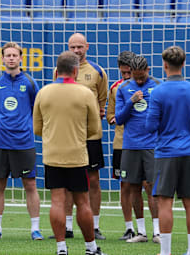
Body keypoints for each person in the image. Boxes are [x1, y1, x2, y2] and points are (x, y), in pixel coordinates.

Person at [34, 51, 105, 255]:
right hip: (77, 155)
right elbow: (95, 130)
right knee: (82, 201)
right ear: (76, 70)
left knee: (57, 201)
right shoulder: (85, 94)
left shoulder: (44, 92)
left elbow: (37, 128)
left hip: (52, 155)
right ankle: (91, 248)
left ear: (56, 71)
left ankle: (61, 248)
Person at [145, 46, 190, 255]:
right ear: (183, 64)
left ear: (164, 65)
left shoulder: (158, 92)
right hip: (188, 152)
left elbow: (150, 126)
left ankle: (165, 252)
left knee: (165, 203)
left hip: (166, 153)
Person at [0, 42, 42, 240]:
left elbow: (38, 108)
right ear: (2, 59)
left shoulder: (30, 82)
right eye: (7, 55)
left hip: (24, 142)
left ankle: (35, 229)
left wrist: (28, 127)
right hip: (0, 142)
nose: (11, 58)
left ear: (20, 58)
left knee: (30, 185)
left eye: (14, 55)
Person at [61, 33, 109, 240]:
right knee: (67, 181)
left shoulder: (98, 72)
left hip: (90, 135)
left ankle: (95, 226)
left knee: (93, 179)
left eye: (80, 47)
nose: (77, 51)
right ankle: (68, 227)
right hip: (67, 135)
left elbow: (102, 103)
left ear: (87, 47)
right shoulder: (60, 71)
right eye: (73, 47)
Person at [114, 55, 160, 244]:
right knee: (133, 187)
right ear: (131, 73)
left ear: (148, 70)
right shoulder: (124, 89)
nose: (139, 80)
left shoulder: (159, 86)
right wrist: (130, 102)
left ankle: (157, 232)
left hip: (152, 145)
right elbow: (119, 118)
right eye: (136, 77)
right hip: (131, 145)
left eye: (142, 76)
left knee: (151, 188)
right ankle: (141, 232)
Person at [106, 51, 138, 240]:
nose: (126, 77)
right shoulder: (115, 88)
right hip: (121, 145)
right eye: (123, 73)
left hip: (143, 145)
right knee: (125, 186)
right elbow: (110, 115)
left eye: (129, 73)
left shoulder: (148, 87)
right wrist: (117, 118)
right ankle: (129, 227)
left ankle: (155, 228)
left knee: (146, 186)